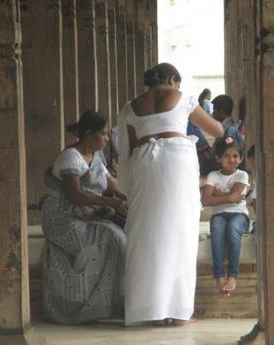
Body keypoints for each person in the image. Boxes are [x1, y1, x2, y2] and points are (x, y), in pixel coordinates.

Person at [117, 63, 224, 326]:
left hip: (144, 163)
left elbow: (127, 150)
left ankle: (149, 311)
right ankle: (178, 312)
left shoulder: (131, 107)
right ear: (172, 79)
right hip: (177, 162)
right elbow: (217, 131)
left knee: (145, 234)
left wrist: (127, 188)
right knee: (180, 233)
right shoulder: (183, 98)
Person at [40, 110, 127, 324]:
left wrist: (131, 199)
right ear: (89, 135)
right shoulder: (70, 157)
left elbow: (111, 184)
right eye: (103, 134)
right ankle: (89, 304)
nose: (107, 138)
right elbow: (75, 195)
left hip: (83, 214)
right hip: (62, 218)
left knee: (119, 236)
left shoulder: (96, 156)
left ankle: (109, 301)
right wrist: (110, 202)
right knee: (112, 239)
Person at [201, 136, 249, 296]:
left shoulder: (242, 175)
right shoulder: (213, 175)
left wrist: (216, 193)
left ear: (241, 158)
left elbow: (236, 195)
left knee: (233, 229)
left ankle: (233, 276)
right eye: (226, 156)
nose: (231, 160)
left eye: (235, 156)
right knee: (217, 229)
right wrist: (228, 197)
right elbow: (206, 200)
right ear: (218, 158)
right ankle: (219, 276)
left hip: (240, 216)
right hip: (219, 215)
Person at [199, 94, 244, 176]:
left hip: (217, 165)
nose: (213, 113)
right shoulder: (225, 127)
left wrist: (211, 151)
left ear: (221, 112)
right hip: (214, 158)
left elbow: (229, 142)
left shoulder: (231, 129)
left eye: (214, 110)